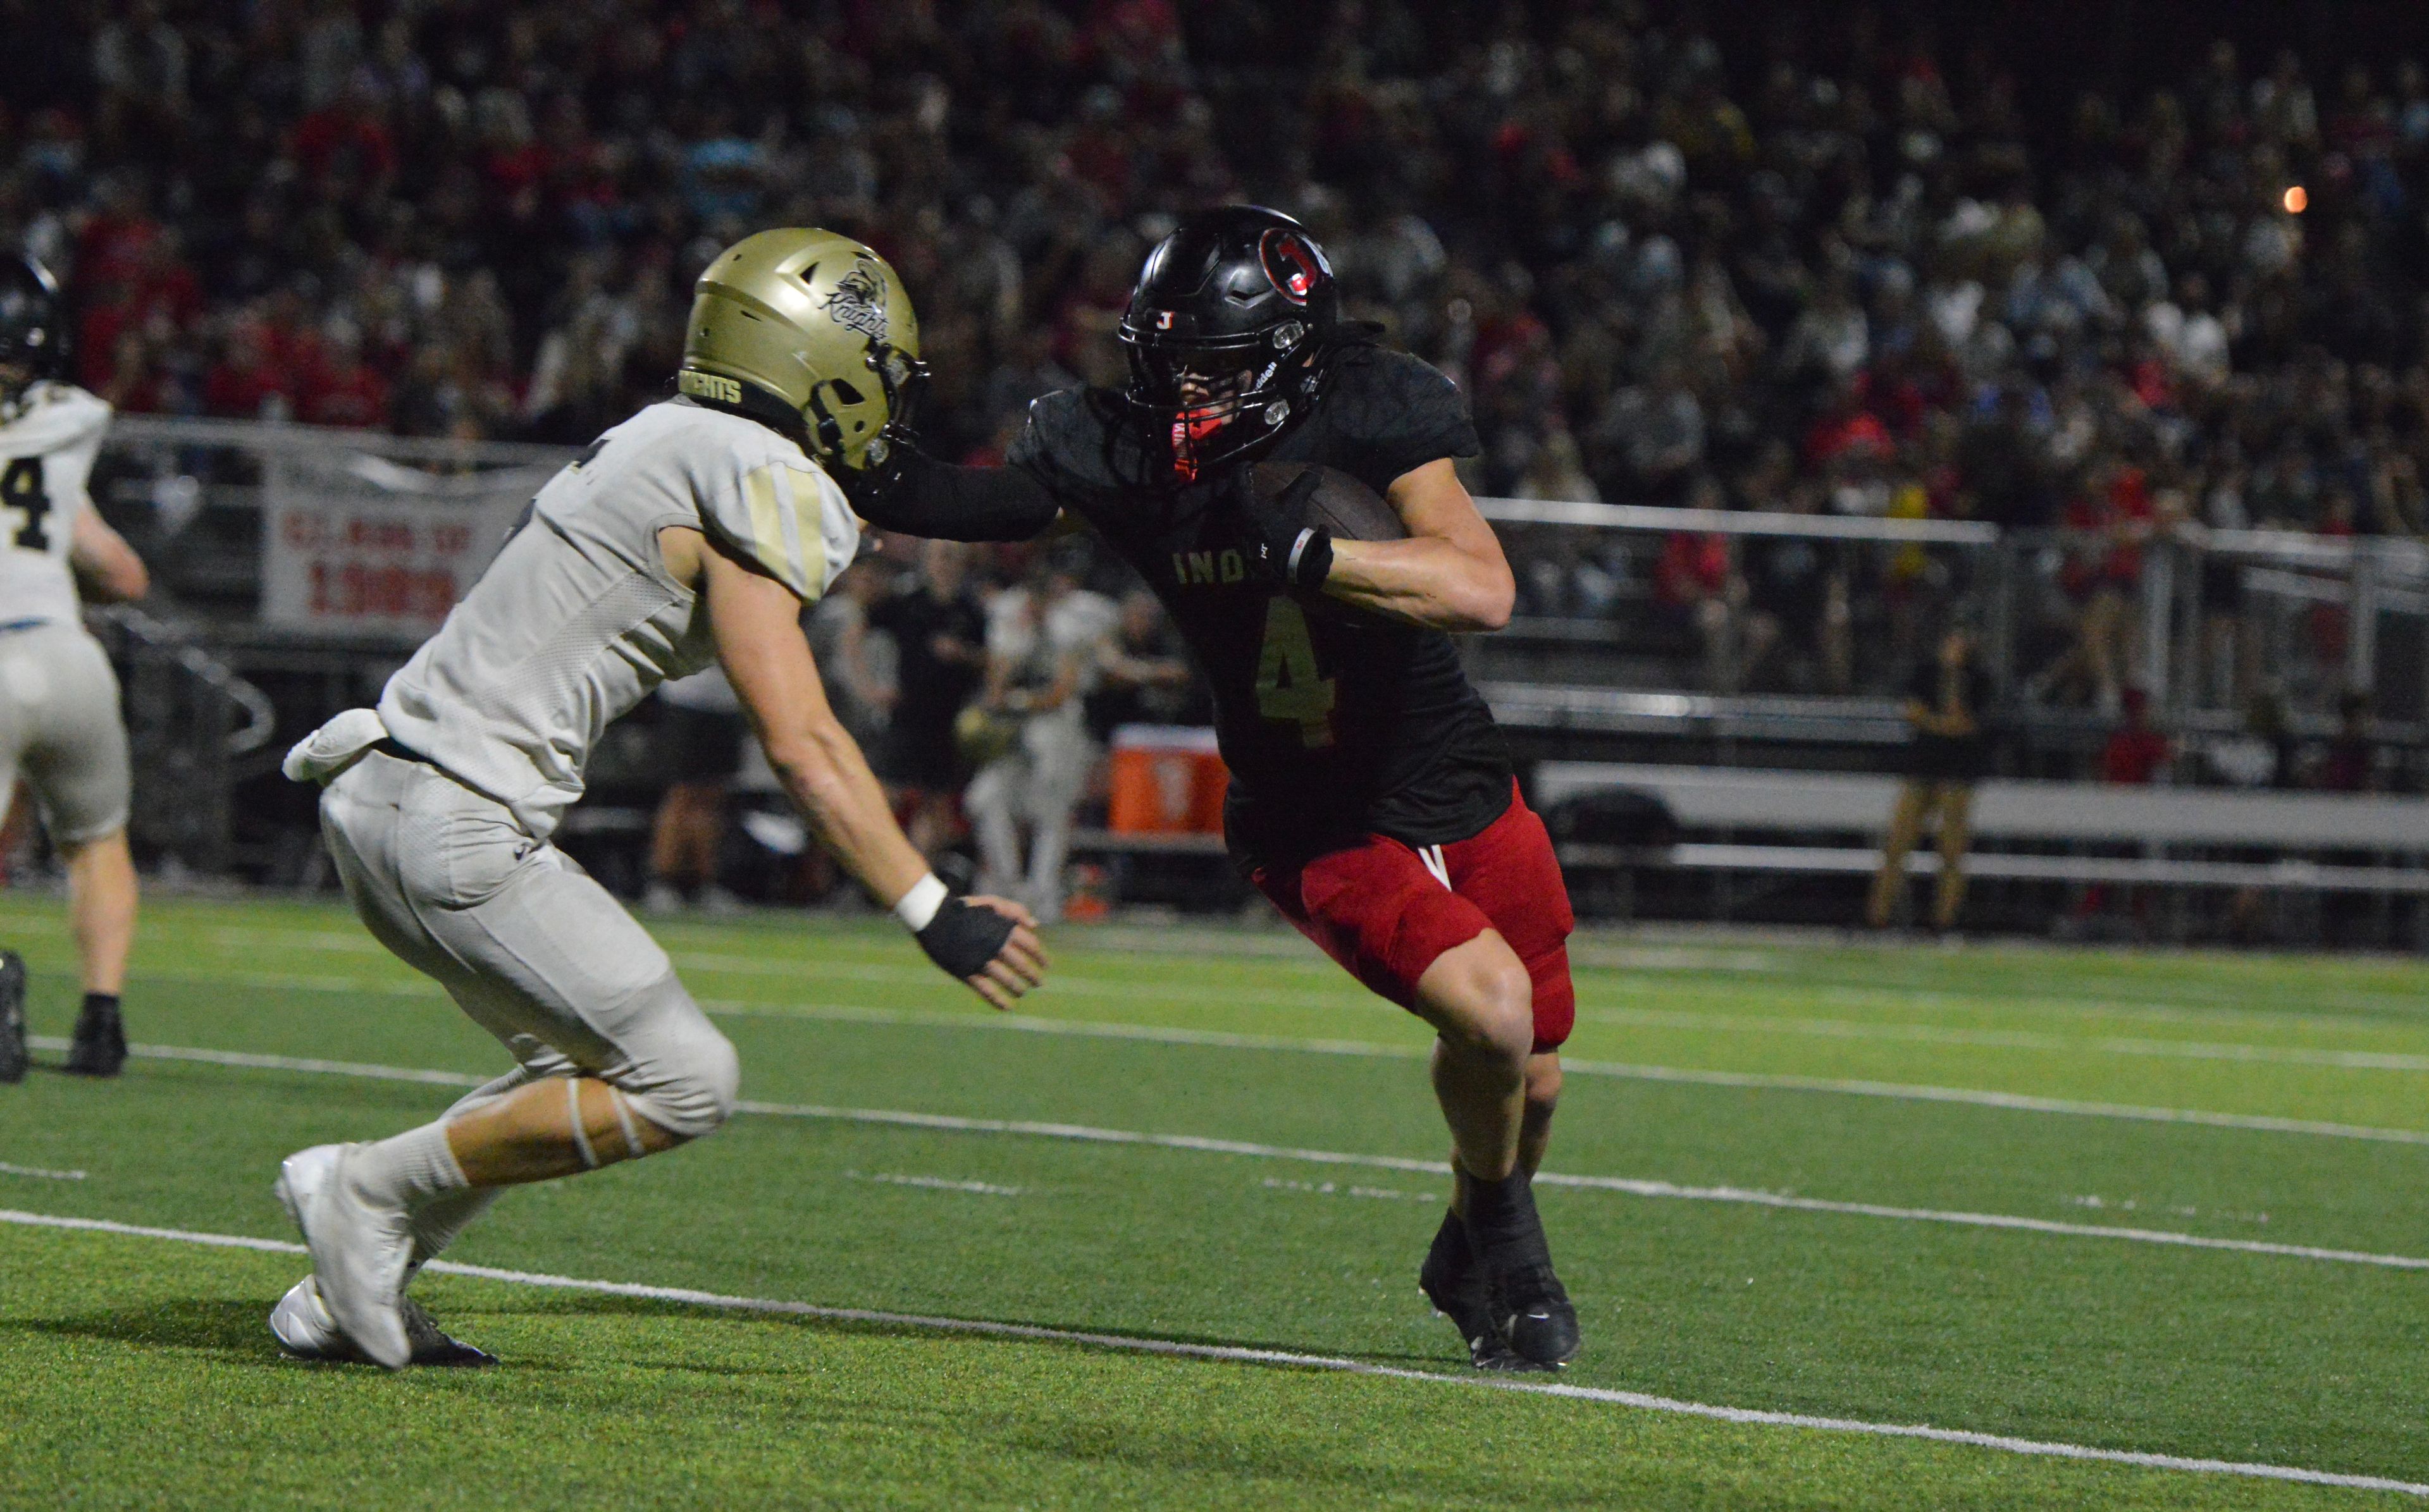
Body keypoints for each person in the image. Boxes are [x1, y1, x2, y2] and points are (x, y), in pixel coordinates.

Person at [266, 230, 1047, 1369]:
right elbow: (802, 736)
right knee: (686, 1079)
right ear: (823, 360)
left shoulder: (669, 436)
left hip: (390, 788)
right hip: (454, 818)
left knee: (577, 1070)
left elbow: (927, 504)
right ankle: (364, 1188)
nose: (887, 399)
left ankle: (344, 1289)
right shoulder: (754, 470)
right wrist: (935, 908)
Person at [853, 206, 1580, 1372]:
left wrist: (1321, 557)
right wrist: (848, 454)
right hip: (1308, 814)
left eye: (1220, 364)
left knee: (1534, 1073)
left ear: (1294, 352)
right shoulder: (1130, 452)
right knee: (1492, 1015)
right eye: (1172, 357)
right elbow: (968, 503)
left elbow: (1481, 587)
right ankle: (1512, 1244)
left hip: (1455, 777)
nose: (1188, 388)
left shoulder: (1369, 403)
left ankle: (1465, 1243)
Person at [0, 255, 150, 1084]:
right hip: (68, 656)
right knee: (98, 842)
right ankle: (101, 1018)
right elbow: (125, 574)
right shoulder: (66, 425)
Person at [963, 549, 1113, 922]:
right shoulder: (1009, 620)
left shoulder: (1071, 622)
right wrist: (1017, 657)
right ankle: (1006, 886)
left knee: (1052, 811)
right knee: (984, 798)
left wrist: (1020, 699)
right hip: (1013, 728)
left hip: (1058, 725)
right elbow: (995, 684)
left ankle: (1043, 897)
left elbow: (1063, 688)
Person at [1867, 625, 1993, 933]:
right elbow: (1915, 712)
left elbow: (1967, 723)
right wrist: (1944, 723)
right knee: (1896, 846)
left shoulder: (1979, 680)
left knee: (1951, 851)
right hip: (1921, 769)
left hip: (1958, 774)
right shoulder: (1925, 673)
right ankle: (1877, 918)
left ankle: (1943, 921)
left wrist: (1934, 721)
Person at [868, 539, 987, 861]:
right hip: (908, 712)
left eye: (951, 558)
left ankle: (919, 875)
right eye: (939, 557)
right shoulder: (908, 603)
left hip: (948, 718)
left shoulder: (971, 610)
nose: (945, 565)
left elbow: (989, 661)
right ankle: (875, 869)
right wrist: (868, 687)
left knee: (936, 802)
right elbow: (858, 629)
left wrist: (962, 654)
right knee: (887, 793)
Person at [642, 666, 746, 914]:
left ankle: (705, 884)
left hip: (727, 702)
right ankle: (663, 881)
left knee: (713, 798)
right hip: (686, 698)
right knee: (681, 795)